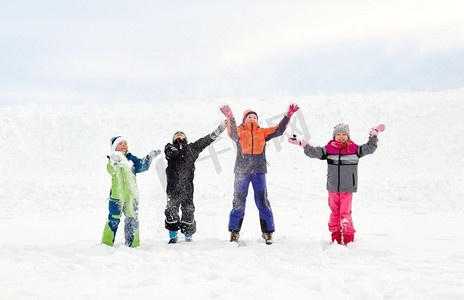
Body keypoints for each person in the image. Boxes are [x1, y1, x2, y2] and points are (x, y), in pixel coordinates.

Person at [288, 123, 385, 245]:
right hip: (333, 187)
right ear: (334, 136)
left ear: (348, 136)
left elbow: (370, 148)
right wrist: (304, 144)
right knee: (334, 213)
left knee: (345, 213)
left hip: (347, 187)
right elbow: (315, 152)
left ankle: (349, 239)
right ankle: (336, 239)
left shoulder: (354, 149)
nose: (341, 136)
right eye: (338, 134)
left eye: (344, 134)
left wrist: (373, 135)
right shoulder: (329, 149)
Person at [219, 104, 299, 245]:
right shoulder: (239, 132)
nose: (252, 119)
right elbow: (231, 133)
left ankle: (268, 232)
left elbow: (279, 130)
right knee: (238, 202)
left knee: (262, 201)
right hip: (241, 172)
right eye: (249, 117)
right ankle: (234, 232)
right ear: (244, 120)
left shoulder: (262, 132)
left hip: (259, 172)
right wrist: (230, 117)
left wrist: (288, 115)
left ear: (257, 120)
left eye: (254, 117)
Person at [164, 120, 227, 243]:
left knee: (188, 210)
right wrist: (172, 149)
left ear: (185, 138)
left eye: (181, 134)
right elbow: (168, 152)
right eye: (176, 135)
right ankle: (173, 236)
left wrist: (220, 128)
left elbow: (207, 140)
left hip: (187, 187)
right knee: (171, 210)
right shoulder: (170, 147)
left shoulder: (192, 148)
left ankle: (188, 236)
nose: (179, 135)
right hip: (173, 187)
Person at [102, 136, 160, 247]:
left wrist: (149, 157)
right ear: (115, 148)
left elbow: (142, 166)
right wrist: (113, 162)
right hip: (116, 197)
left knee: (132, 220)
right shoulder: (113, 158)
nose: (124, 145)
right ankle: (106, 244)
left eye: (125, 143)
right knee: (113, 220)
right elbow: (111, 170)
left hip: (131, 197)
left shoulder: (131, 159)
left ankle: (133, 245)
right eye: (120, 143)